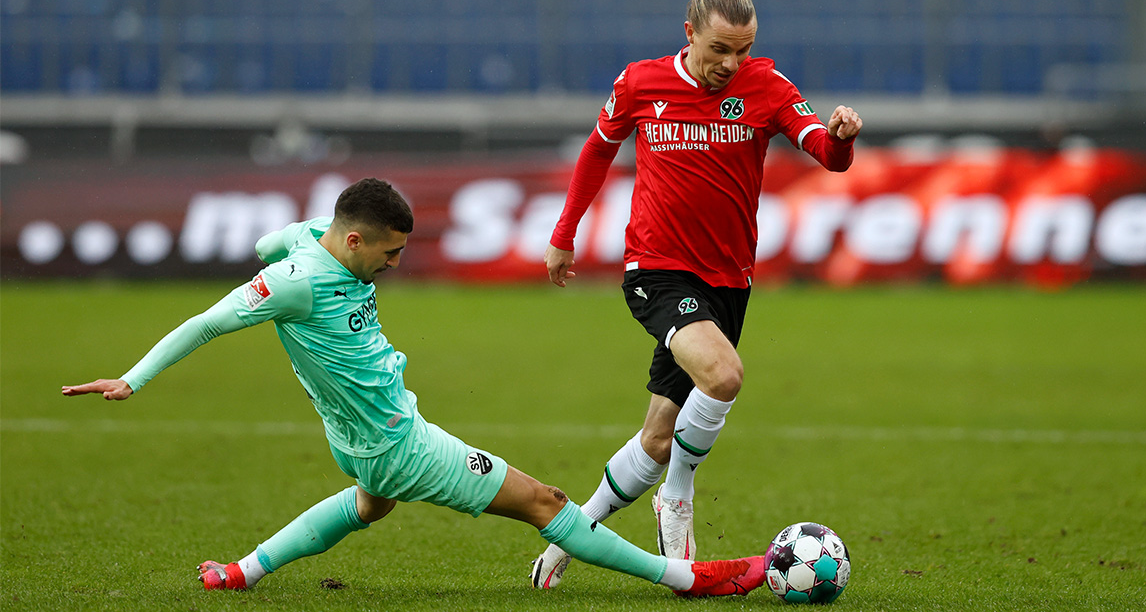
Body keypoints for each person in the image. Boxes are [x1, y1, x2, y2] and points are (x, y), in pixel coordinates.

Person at [62, 178, 764, 597]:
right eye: (390, 253)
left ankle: (242, 572)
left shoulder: (314, 241)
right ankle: (688, 578)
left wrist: (295, 238)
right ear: (355, 242)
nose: (397, 264)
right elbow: (208, 322)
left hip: (358, 440)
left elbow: (268, 241)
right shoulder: (299, 281)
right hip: (400, 443)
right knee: (545, 501)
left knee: (369, 507)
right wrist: (133, 378)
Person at [530, 0, 862, 588]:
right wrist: (563, 232)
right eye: (719, 49)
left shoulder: (766, 86)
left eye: (744, 48)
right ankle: (677, 497)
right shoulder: (641, 82)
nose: (732, 63)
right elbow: (597, 149)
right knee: (724, 375)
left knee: (658, 438)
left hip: (728, 281)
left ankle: (569, 533)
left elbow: (823, 151)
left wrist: (841, 139)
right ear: (689, 35)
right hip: (655, 270)